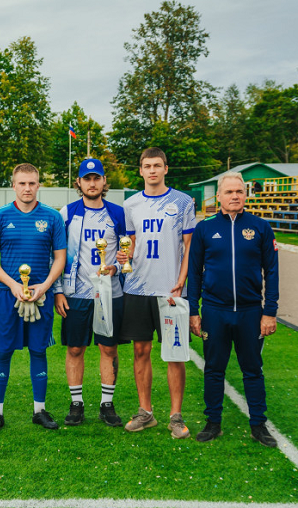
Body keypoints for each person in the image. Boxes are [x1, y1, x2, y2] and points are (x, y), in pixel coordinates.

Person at [186, 171, 279, 447]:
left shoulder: (261, 228)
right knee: (214, 369)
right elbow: (194, 272)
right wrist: (194, 310)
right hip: (215, 311)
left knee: (253, 369)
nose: (235, 196)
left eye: (239, 191)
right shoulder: (205, 228)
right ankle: (213, 422)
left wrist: (269, 311)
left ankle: (258, 424)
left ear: (245, 194)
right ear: (219, 196)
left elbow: (271, 272)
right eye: (229, 192)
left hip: (251, 312)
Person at [115, 147, 196, 438]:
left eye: (157, 165)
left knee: (174, 354)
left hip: (171, 290)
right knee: (141, 350)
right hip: (137, 288)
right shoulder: (131, 203)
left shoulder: (184, 202)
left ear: (165, 169)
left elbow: (190, 247)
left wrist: (181, 280)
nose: (152, 170)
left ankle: (176, 416)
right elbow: (131, 243)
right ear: (140, 170)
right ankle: (145, 412)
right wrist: (123, 258)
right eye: (147, 166)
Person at [0, 163, 67, 433]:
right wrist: (13, 284)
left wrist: (44, 286)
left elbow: (60, 258)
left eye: (32, 183)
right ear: (13, 185)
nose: (27, 188)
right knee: (4, 350)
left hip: (41, 295)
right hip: (9, 296)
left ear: (39, 184)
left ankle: (39, 410)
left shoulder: (52, 218)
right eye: (22, 183)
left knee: (38, 350)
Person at [54, 159, 128, 427]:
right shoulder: (67, 212)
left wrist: (117, 267)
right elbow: (57, 254)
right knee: (75, 348)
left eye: (97, 178)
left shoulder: (118, 213)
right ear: (79, 183)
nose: (92, 183)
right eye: (87, 178)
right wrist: (58, 292)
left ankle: (106, 404)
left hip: (109, 293)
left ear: (104, 181)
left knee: (108, 348)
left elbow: (128, 253)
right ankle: (77, 404)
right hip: (75, 293)